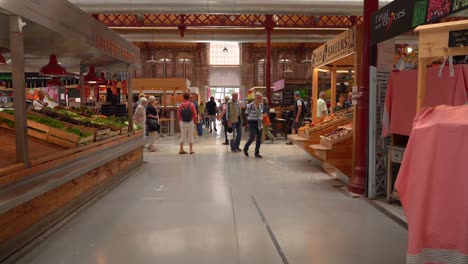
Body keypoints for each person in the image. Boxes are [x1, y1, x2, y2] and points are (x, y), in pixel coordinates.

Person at [243, 92, 264, 158]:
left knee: (259, 139)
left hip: (260, 123)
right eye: (260, 98)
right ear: (256, 98)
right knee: (252, 137)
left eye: (261, 98)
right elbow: (246, 114)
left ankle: (257, 152)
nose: (261, 99)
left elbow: (261, 113)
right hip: (252, 123)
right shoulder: (250, 105)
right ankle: (245, 148)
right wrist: (248, 121)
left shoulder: (261, 105)